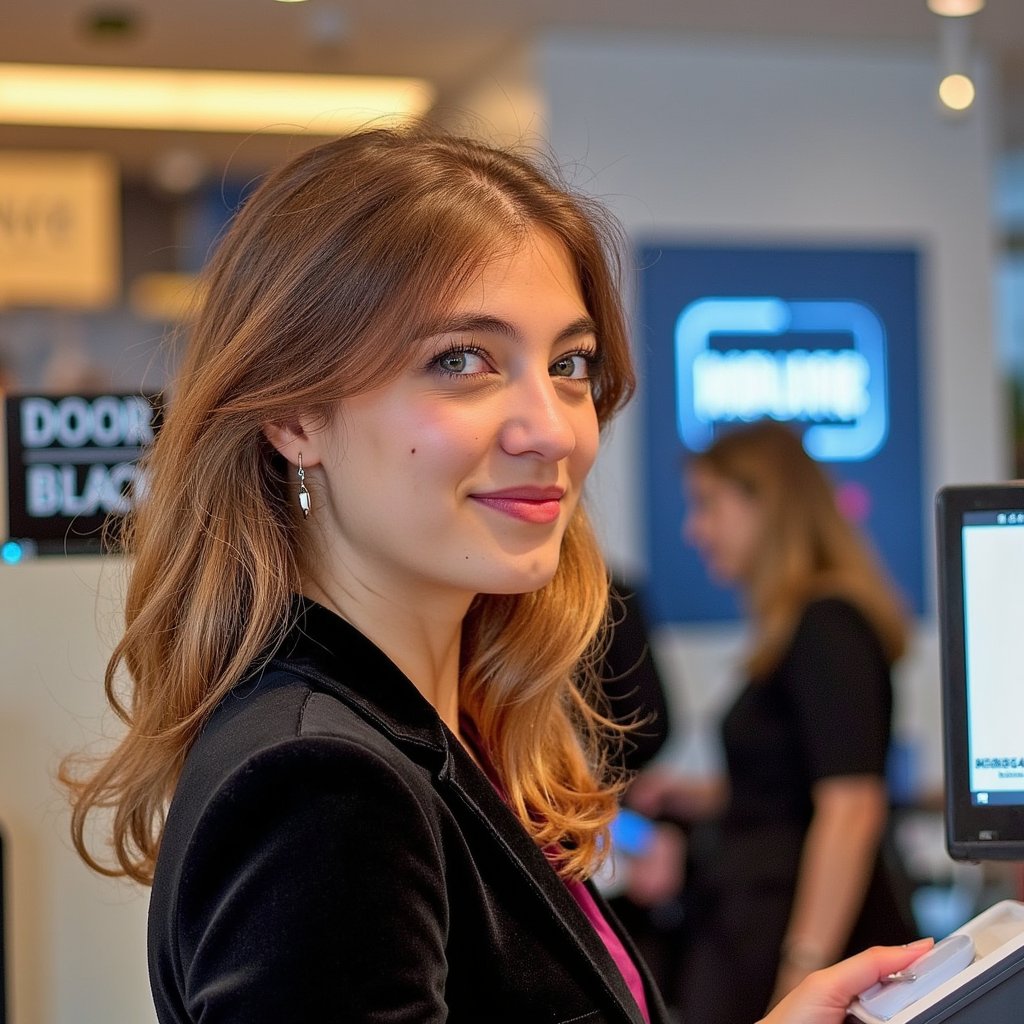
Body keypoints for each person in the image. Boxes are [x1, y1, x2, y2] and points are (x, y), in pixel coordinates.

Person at [60, 128, 928, 1024]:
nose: (552, 428)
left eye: (569, 365)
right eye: (462, 361)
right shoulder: (322, 787)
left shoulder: (445, 733)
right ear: (294, 417)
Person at [631, 420, 919, 1024]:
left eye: (708, 505)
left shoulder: (827, 626)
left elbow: (850, 806)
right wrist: (701, 796)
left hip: (790, 941)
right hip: (753, 929)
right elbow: (790, 788)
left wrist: (803, 977)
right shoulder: (800, 629)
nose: (695, 529)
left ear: (765, 502)